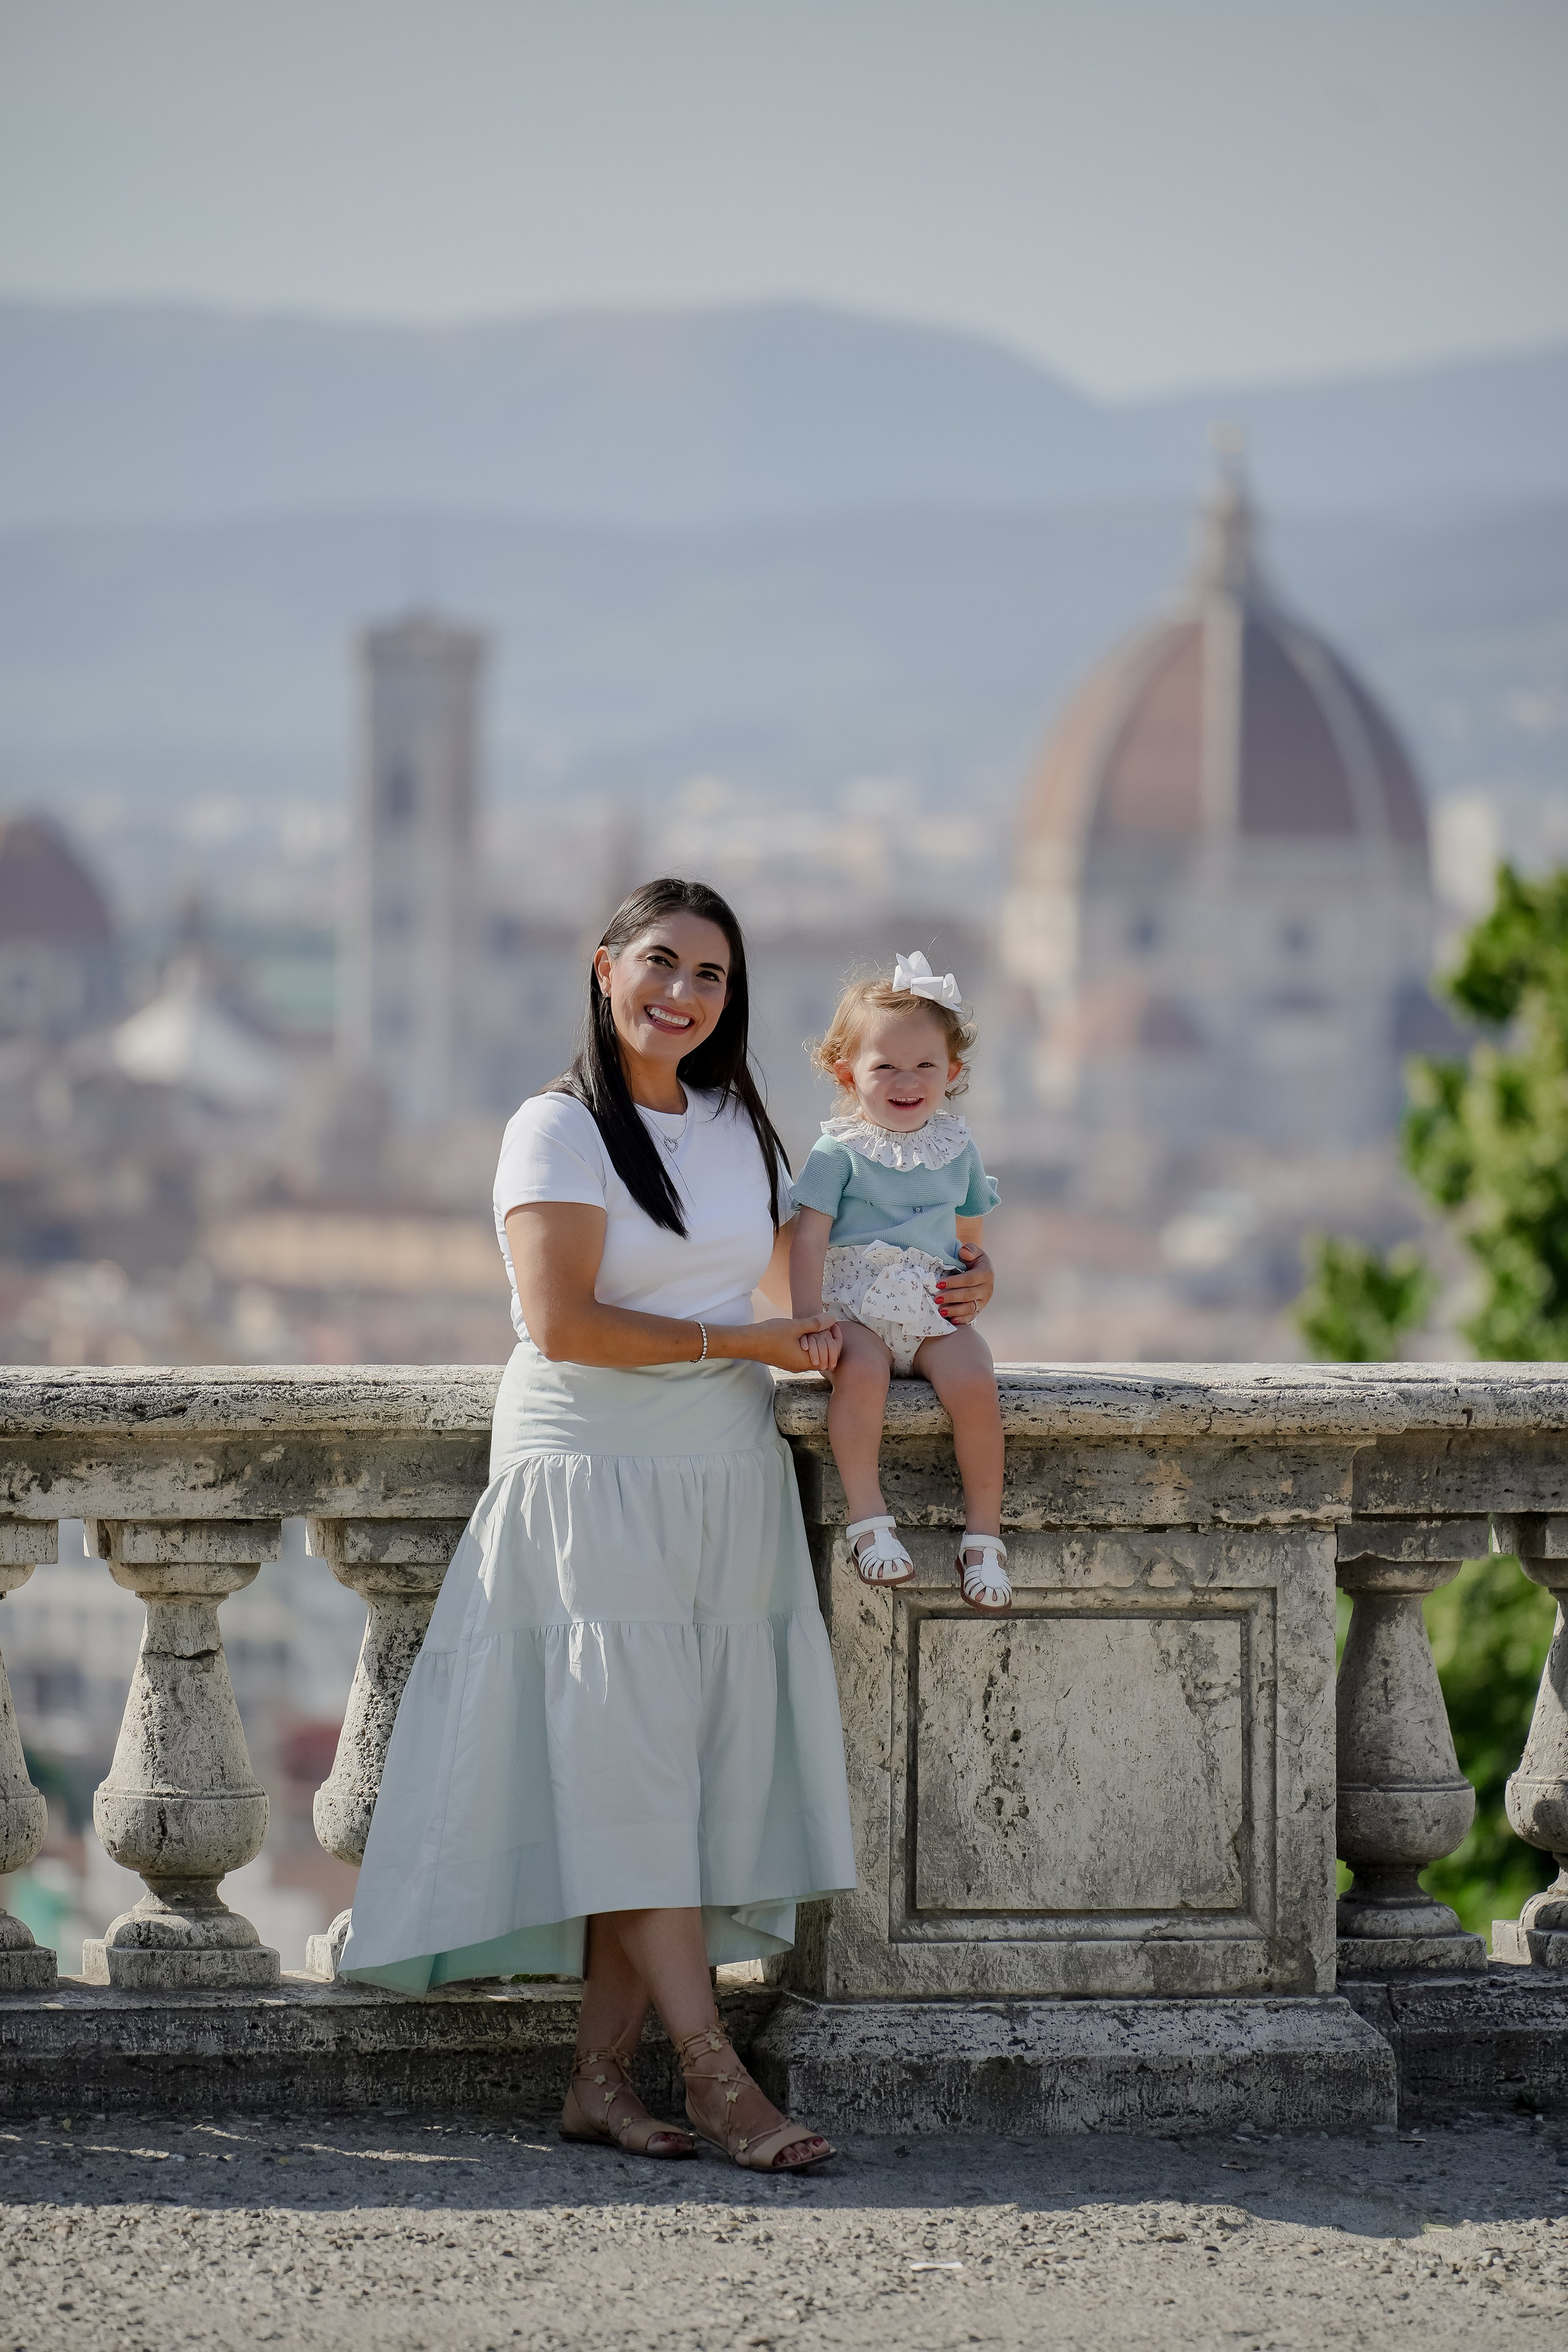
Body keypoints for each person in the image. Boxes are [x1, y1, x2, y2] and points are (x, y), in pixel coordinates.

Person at [341, 878, 869, 2174]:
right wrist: (739, 1341)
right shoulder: (555, 1128)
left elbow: (791, 1283)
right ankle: (714, 2078)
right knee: (629, 1775)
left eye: (712, 976)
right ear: (602, 968)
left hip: (724, 1471)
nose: (683, 994)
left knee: (664, 1787)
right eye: (661, 964)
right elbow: (564, 1323)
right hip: (592, 1475)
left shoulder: (739, 1121)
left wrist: (944, 1280)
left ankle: (597, 2084)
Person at [789, 952, 1009, 1613]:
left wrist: (978, 1276)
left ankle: (983, 1537)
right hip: (857, 1306)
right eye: (885, 1066)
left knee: (976, 1382)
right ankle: (868, 1518)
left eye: (925, 1066)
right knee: (862, 1373)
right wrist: (808, 1321)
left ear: (953, 1074)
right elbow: (809, 1238)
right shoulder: (838, 1152)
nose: (906, 1080)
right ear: (847, 1072)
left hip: (932, 1303)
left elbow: (970, 1231)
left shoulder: (956, 1147)